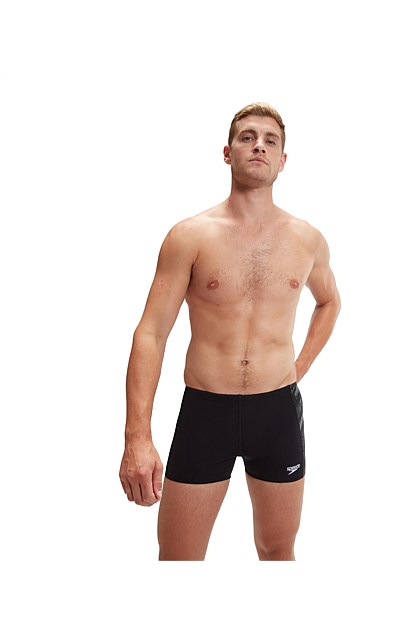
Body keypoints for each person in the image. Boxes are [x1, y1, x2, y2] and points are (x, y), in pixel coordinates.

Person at [119, 102, 341, 561]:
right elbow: (150, 334)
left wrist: (297, 367)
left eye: (270, 140)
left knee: (277, 550)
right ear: (227, 152)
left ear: (283, 160)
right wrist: (137, 436)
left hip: (277, 412)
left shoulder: (307, 239)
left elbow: (330, 302)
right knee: (179, 558)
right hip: (207, 412)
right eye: (247, 137)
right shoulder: (190, 235)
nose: (259, 145)